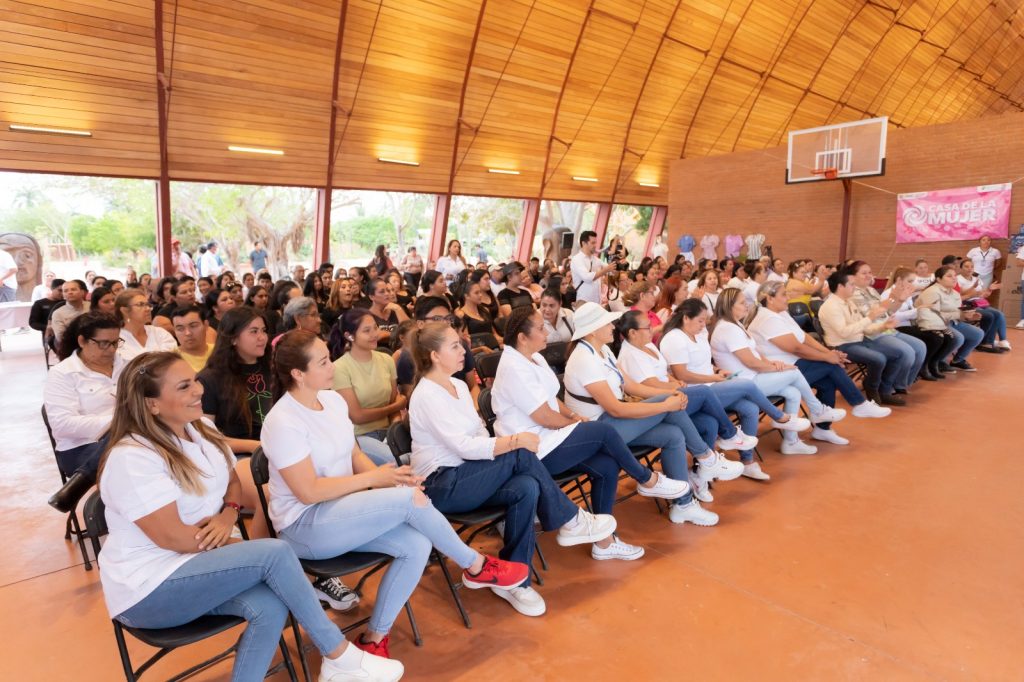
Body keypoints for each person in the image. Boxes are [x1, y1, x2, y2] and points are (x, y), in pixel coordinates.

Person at [95, 351, 401, 682]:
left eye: (195, 380)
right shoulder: (133, 457)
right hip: (149, 588)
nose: (198, 390)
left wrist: (228, 514)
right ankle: (338, 656)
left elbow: (232, 481)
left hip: (197, 565)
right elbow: (173, 538)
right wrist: (238, 548)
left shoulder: (201, 428)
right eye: (184, 386)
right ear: (151, 404)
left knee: (269, 605)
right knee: (274, 553)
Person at [261, 330, 529, 659]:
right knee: (408, 500)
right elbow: (308, 491)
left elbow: (354, 454)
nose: (332, 366)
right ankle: (475, 565)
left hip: (341, 512)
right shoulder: (282, 421)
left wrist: (393, 480)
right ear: (298, 374)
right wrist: (377, 479)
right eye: (323, 362)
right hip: (304, 526)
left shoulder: (331, 401)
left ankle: (374, 638)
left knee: (416, 544)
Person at [409, 321, 615, 616]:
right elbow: (463, 446)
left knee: (526, 487)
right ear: (434, 355)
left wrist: (503, 449)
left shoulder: (458, 385)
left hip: (469, 473)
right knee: (520, 452)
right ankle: (570, 519)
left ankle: (515, 580)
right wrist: (514, 441)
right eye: (454, 346)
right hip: (442, 484)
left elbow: (478, 433)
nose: (463, 350)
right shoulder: (426, 395)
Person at [492, 307, 691, 560]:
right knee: (602, 431)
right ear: (522, 337)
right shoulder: (513, 367)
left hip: (550, 438)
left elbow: (550, 399)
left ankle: (604, 543)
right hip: (534, 450)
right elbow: (544, 417)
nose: (547, 333)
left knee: (607, 465)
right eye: (541, 329)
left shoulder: (535, 358)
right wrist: (573, 425)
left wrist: (572, 416)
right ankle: (647, 479)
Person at [568, 304, 747, 512]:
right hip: (600, 429)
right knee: (671, 406)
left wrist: (669, 395)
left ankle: (683, 505)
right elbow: (616, 409)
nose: (613, 327)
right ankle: (707, 458)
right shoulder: (584, 360)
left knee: (673, 434)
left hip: (615, 421)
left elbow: (631, 386)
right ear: (592, 331)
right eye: (607, 323)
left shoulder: (603, 350)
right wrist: (665, 404)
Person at [658, 299, 810, 480]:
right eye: (700, 320)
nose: (704, 324)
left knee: (750, 408)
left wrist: (717, 371)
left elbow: (702, 364)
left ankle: (748, 462)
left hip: (711, 385)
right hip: (696, 392)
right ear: (685, 318)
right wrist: (713, 378)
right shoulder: (674, 338)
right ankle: (779, 418)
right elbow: (682, 374)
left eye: (705, 320)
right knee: (747, 384)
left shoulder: (698, 333)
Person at [747, 281, 891, 446]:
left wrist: (828, 353)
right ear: (770, 299)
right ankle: (859, 403)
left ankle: (823, 429)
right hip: (778, 372)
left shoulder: (780, 313)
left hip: (794, 365)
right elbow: (795, 348)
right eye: (783, 294)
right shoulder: (767, 319)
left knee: (828, 381)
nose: (788, 298)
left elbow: (803, 337)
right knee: (829, 366)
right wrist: (827, 358)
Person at [711, 288, 845, 455]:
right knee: (794, 372)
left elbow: (754, 352)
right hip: (745, 384)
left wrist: (771, 363)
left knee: (793, 392)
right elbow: (751, 362)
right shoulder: (727, 329)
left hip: (753, 377)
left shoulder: (735, 324)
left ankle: (791, 442)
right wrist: (777, 368)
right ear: (729, 306)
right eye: (742, 303)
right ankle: (817, 410)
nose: (747, 305)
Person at [44, 312, 126, 513]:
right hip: (79, 448)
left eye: (115, 342)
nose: (111, 349)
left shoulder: (126, 365)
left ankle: (80, 483)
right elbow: (63, 425)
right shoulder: (63, 373)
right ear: (82, 341)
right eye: (103, 343)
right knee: (127, 457)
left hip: (127, 440)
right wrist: (119, 421)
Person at [818, 270, 910, 405]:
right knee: (878, 359)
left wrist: (883, 326)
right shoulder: (830, 306)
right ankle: (871, 388)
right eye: (851, 284)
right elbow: (844, 333)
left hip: (859, 339)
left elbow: (864, 328)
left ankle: (884, 391)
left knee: (898, 354)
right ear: (840, 286)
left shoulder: (848, 302)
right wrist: (870, 318)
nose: (854, 287)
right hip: (842, 345)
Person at [332, 309, 407, 467]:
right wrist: (396, 406)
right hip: (359, 436)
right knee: (396, 463)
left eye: (375, 327)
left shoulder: (386, 360)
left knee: (416, 455)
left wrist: (395, 428)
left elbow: (393, 403)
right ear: (349, 336)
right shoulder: (339, 368)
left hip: (388, 430)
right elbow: (357, 416)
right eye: (367, 331)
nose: (375, 334)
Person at [882, 268, 959, 380]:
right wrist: (918, 310)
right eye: (910, 281)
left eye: (913, 281)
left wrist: (924, 311)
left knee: (948, 336)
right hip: (897, 327)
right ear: (899, 280)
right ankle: (923, 366)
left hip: (912, 324)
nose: (912, 284)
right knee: (936, 338)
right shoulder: (888, 294)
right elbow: (892, 317)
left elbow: (914, 311)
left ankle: (933, 363)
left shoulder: (907, 292)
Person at [396, 297, 479, 399]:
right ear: (421, 324)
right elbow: (410, 396)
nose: (445, 323)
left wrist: (473, 406)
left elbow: (473, 386)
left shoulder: (460, 345)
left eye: (448, 318)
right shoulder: (408, 357)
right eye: (437, 319)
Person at [916, 266, 984, 373]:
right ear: (938, 279)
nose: (954, 278)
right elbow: (933, 314)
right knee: (958, 338)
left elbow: (957, 312)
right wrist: (959, 314)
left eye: (955, 276)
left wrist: (967, 316)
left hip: (952, 322)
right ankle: (938, 361)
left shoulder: (955, 293)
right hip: (935, 323)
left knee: (978, 333)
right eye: (949, 276)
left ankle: (958, 360)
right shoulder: (932, 292)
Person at [957, 259, 1010, 351]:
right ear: (961, 268)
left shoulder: (976, 279)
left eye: (972, 267)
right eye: (966, 266)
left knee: (999, 314)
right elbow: (959, 294)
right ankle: (985, 342)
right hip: (967, 304)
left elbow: (982, 295)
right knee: (991, 315)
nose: (970, 269)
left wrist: (990, 289)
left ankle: (1001, 340)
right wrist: (973, 289)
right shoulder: (958, 279)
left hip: (979, 302)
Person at [116, 288, 177, 361]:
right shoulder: (116, 338)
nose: (148, 309)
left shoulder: (159, 333)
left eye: (148, 305)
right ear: (125, 310)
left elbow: (172, 360)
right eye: (140, 305)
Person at [570, 230, 617, 304]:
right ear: (584, 243)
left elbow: (611, 270)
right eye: (592, 243)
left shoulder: (595, 259)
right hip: (584, 301)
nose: (595, 245)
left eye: (595, 243)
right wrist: (606, 270)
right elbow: (587, 277)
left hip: (597, 301)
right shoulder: (577, 259)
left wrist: (616, 263)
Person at [458, 277, 502, 349]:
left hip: (493, 346)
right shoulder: (461, 314)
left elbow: (494, 333)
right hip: (478, 350)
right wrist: (483, 348)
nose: (480, 295)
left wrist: (504, 341)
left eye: (480, 292)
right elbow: (466, 342)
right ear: (467, 296)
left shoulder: (485, 310)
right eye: (476, 293)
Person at [365, 278, 408, 346]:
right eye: (382, 292)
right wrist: (399, 334)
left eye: (387, 290)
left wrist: (398, 309)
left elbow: (409, 333)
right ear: (371, 297)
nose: (387, 294)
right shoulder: (367, 316)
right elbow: (377, 337)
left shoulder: (396, 308)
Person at [170, 305, 213, 372]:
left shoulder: (219, 351)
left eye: (193, 326)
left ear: (206, 325)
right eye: (180, 329)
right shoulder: (171, 359)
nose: (188, 333)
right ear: (174, 330)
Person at [51, 279, 90, 346]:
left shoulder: (92, 306)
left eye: (73, 289)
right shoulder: (58, 313)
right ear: (63, 295)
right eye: (66, 291)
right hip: (71, 346)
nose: (70, 292)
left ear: (82, 292)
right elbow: (61, 338)